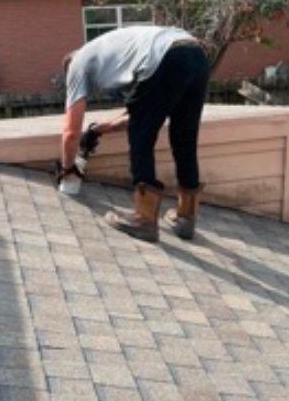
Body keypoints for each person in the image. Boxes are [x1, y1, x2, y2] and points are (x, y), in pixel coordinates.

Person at [57, 24, 210, 243]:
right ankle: (186, 218)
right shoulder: (114, 55)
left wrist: (68, 169)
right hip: (195, 54)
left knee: (142, 138)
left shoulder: (77, 65)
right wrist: (100, 129)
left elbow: (70, 132)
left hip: (168, 56)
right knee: (184, 137)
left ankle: (144, 219)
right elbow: (141, 112)